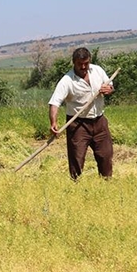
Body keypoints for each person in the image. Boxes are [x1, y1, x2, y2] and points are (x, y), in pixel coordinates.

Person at [47, 47, 115, 180]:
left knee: (106, 155)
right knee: (76, 158)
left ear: (89, 61)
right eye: (80, 64)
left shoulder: (97, 70)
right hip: (78, 124)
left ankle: (107, 184)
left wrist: (109, 89)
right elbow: (55, 103)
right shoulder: (67, 80)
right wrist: (53, 123)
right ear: (74, 62)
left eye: (86, 63)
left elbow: (110, 85)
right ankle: (75, 184)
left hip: (99, 121)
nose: (83, 67)